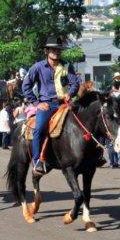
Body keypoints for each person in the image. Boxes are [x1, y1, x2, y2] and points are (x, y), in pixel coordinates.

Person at [22, 36, 80, 176]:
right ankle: (37, 161)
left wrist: (70, 93)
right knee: (39, 129)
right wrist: (37, 103)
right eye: (53, 49)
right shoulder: (38, 67)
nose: (56, 52)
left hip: (64, 103)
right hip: (47, 105)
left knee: (85, 120)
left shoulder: (67, 65)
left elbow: (75, 83)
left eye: (58, 49)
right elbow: (26, 86)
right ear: (47, 51)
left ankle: (95, 154)